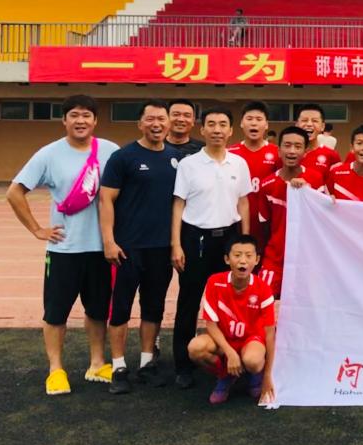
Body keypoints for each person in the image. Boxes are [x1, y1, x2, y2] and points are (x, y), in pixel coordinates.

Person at [7, 94, 120, 395]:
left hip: (101, 249)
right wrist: (37, 229)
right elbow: (14, 192)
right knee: (56, 312)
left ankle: (97, 363)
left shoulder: (110, 151)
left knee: (98, 310)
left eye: (86, 115)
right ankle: (56, 369)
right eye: (74, 115)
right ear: (64, 120)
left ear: (95, 120)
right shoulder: (49, 154)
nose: (80, 121)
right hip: (64, 250)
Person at [98, 99, 183, 394]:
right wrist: (109, 241)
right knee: (121, 307)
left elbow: (179, 203)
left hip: (161, 248)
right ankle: (119, 366)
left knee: (153, 306)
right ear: (140, 124)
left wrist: (176, 244)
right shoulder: (123, 157)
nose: (156, 124)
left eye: (161, 119)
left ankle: (147, 363)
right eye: (150, 119)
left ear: (169, 123)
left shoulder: (176, 159)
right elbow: (106, 199)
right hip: (127, 248)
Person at [170, 106, 252, 389]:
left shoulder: (238, 163)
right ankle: (183, 365)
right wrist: (176, 244)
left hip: (228, 239)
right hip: (196, 240)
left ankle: (233, 359)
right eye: (212, 124)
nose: (217, 129)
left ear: (231, 130)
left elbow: (243, 202)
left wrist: (245, 243)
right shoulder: (189, 164)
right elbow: (178, 204)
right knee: (189, 302)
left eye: (223, 124)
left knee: (231, 302)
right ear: (202, 129)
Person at [188, 235, 276, 405]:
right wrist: (230, 353)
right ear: (227, 259)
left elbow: (270, 334)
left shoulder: (263, 288)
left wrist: (267, 376)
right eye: (237, 255)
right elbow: (211, 324)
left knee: (253, 360)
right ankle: (226, 376)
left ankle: (255, 374)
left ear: (257, 260)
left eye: (248, 256)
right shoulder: (214, 282)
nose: (243, 261)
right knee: (195, 348)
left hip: (251, 340)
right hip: (224, 339)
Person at [256, 126, 326, 298]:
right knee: (263, 300)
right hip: (275, 258)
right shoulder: (267, 184)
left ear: (305, 152)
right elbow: (264, 226)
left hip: (307, 258)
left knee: (307, 303)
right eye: (287, 145)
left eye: (298, 146)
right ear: (279, 150)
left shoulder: (316, 179)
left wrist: (307, 192)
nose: (292, 151)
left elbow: (323, 220)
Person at [228, 102, 281, 247]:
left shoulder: (277, 153)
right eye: (249, 119)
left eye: (259, 119)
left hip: (267, 222)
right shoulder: (230, 153)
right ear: (241, 123)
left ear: (266, 124)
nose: (254, 123)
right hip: (236, 222)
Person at [296, 103, 342, 178]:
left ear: (322, 126)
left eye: (315, 121)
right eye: (304, 120)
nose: (309, 124)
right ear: (297, 124)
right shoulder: (287, 154)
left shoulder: (332, 155)